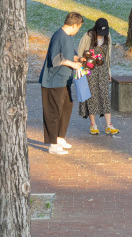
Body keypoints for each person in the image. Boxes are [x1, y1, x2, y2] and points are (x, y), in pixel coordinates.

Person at [39, 11, 85, 154]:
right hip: (53, 81)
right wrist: (73, 64)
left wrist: (79, 59)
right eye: (79, 27)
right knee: (54, 111)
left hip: (65, 80)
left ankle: (60, 137)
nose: (78, 30)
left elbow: (70, 54)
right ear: (74, 25)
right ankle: (53, 145)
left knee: (66, 106)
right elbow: (56, 59)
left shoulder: (68, 37)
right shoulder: (59, 36)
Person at [77, 17, 118, 136]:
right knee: (92, 96)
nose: (102, 35)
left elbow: (108, 57)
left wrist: (108, 72)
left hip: (103, 70)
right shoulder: (88, 36)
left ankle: (108, 125)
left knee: (105, 96)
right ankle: (93, 124)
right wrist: (81, 68)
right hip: (90, 71)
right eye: (100, 33)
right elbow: (80, 53)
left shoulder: (108, 36)